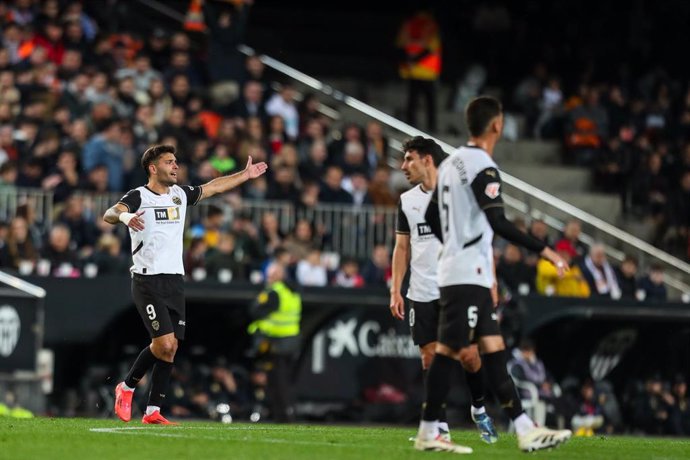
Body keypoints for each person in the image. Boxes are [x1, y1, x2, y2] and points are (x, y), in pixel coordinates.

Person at [416, 96, 572, 453]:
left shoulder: (451, 161)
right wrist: (545, 249)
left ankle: (524, 427)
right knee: (448, 350)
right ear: (497, 125)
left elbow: (429, 219)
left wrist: (453, 243)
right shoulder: (481, 165)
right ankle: (428, 430)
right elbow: (497, 221)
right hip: (466, 273)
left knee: (494, 348)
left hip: (465, 270)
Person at [104, 144, 267, 425]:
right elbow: (109, 212)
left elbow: (213, 187)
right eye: (169, 162)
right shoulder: (139, 196)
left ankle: (153, 411)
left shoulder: (179, 195)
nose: (176, 166)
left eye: (176, 161)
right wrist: (125, 216)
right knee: (163, 342)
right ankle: (127, 387)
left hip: (174, 280)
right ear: (153, 168)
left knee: (170, 348)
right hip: (147, 280)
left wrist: (244, 175)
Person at [390, 136, 497, 444]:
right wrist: (395, 289)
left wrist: (489, 280)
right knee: (428, 357)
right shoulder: (407, 200)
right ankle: (440, 428)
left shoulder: (460, 195)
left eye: (409, 159)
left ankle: (479, 409)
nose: (403, 166)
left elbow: (482, 238)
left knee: (469, 356)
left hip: (457, 287)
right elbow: (401, 247)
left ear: (427, 160)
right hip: (420, 291)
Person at [247, 262, 302, 422]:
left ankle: (282, 415)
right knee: (285, 379)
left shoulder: (274, 292)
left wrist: (258, 300)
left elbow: (255, 311)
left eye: (271, 275)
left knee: (277, 380)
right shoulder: (292, 291)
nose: (269, 278)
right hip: (291, 340)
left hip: (277, 342)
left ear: (279, 275)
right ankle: (287, 412)